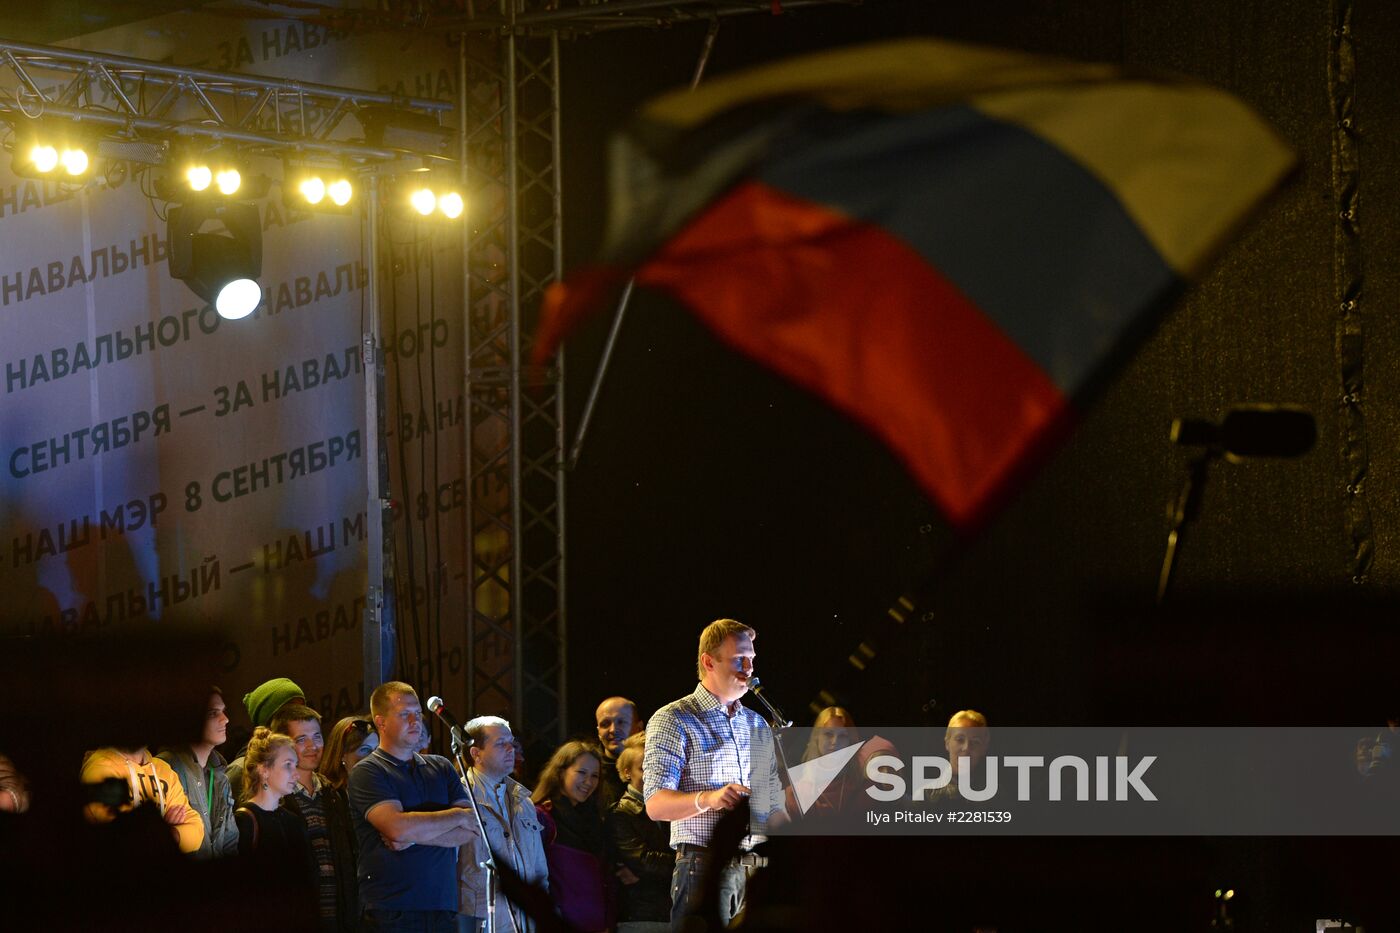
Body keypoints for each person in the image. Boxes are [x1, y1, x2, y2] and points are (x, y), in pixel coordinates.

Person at [644, 618, 787, 929]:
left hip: (757, 867)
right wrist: (711, 798)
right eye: (739, 659)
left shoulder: (757, 724)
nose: (749, 668)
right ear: (709, 661)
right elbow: (655, 803)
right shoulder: (674, 718)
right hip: (703, 865)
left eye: (752, 659)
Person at [348, 681, 477, 933]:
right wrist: (456, 816)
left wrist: (414, 835)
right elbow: (396, 828)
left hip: (441, 907)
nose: (415, 721)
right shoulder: (368, 770)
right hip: (392, 909)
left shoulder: (440, 766)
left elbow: (471, 829)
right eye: (404, 714)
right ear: (381, 722)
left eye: (417, 713)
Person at [457, 715, 549, 933]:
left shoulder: (523, 800)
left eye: (512, 742)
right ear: (475, 753)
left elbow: (539, 868)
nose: (511, 749)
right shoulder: (459, 797)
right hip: (481, 920)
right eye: (500, 743)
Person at [273, 704, 360, 932]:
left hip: (341, 917)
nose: (313, 747)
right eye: (301, 739)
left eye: (317, 737)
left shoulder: (334, 794)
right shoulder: (277, 799)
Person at [533, 740, 615, 932]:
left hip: (597, 923)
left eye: (595, 776)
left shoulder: (596, 819)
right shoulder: (542, 817)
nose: (589, 782)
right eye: (581, 773)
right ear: (560, 772)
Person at [157, 687, 239, 858]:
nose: (225, 719)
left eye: (223, 711)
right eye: (213, 713)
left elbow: (230, 842)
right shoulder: (165, 767)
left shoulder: (220, 776)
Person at [81, 744, 205, 853]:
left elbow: (197, 831)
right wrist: (168, 831)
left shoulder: (164, 769)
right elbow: (127, 840)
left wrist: (166, 833)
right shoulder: (100, 768)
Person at [607, 734, 673, 932]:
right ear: (627, 773)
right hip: (641, 915)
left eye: (656, 766)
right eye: (644, 768)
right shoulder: (621, 813)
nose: (653, 774)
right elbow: (645, 861)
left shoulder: (668, 805)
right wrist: (688, 862)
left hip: (668, 910)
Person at [235, 726, 317, 883]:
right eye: (288, 765)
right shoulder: (244, 821)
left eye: (295, 764)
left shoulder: (293, 820)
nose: (296, 773)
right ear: (264, 770)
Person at [228, 676, 307, 790]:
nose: (301, 718)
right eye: (291, 712)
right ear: (269, 720)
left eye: (303, 710)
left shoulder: (303, 764)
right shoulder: (240, 770)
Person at [923, 709, 990, 805]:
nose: (966, 748)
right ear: (947, 743)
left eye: (975, 742)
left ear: (983, 748)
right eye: (960, 740)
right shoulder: (926, 796)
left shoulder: (998, 798)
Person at [595, 697, 641, 805]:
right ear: (598, 732)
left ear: (639, 727)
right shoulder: (589, 772)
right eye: (605, 724)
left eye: (621, 722)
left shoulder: (656, 765)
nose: (613, 730)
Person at [321, 716, 379, 792]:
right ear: (341, 754)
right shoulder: (326, 795)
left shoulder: (384, 788)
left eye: (377, 749)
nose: (374, 756)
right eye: (365, 749)